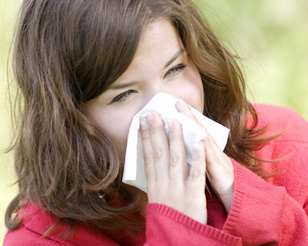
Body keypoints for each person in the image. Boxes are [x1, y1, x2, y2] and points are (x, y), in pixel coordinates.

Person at [3, 0, 308, 245]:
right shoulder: (42, 236)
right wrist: (177, 232)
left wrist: (255, 209)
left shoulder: (282, 144)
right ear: (71, 119)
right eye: (123, 95)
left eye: (175, 69)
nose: (168, 111)